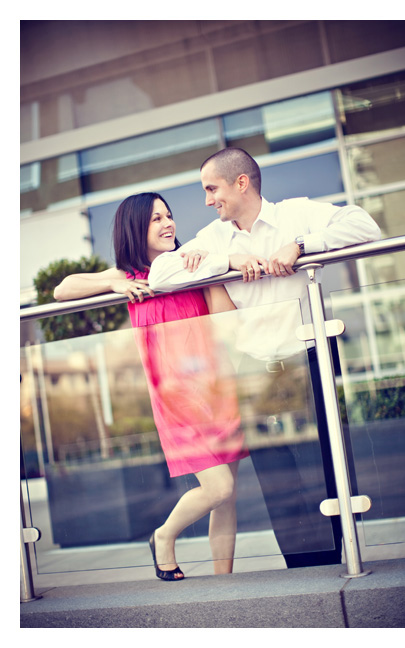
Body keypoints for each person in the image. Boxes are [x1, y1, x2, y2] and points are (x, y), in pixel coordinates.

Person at [148, 147, 381, 567]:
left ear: (242, 183)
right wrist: (228, 262)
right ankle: (304, 572)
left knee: (327, 471)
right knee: (279, 485)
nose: (206, 200)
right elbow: (160, 275)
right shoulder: (214, 239)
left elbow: (365, 226)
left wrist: (301, 246)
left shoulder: (297, 214)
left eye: (211, 188)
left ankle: (341, 565)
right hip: (254, 373)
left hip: (310, 359)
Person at [54, 192, 248, 581]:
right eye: (156, 218)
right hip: (176, 399)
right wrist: (113, 287)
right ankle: (163, 535)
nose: (167, 223)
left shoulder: (188, 263)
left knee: (226, 500)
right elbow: (62, 290)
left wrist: (208, 271)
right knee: (219, 488)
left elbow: (230, 323)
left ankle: (225, 585)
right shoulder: (128, 276)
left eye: (169, 215)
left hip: (217, 391)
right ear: (135, 229)